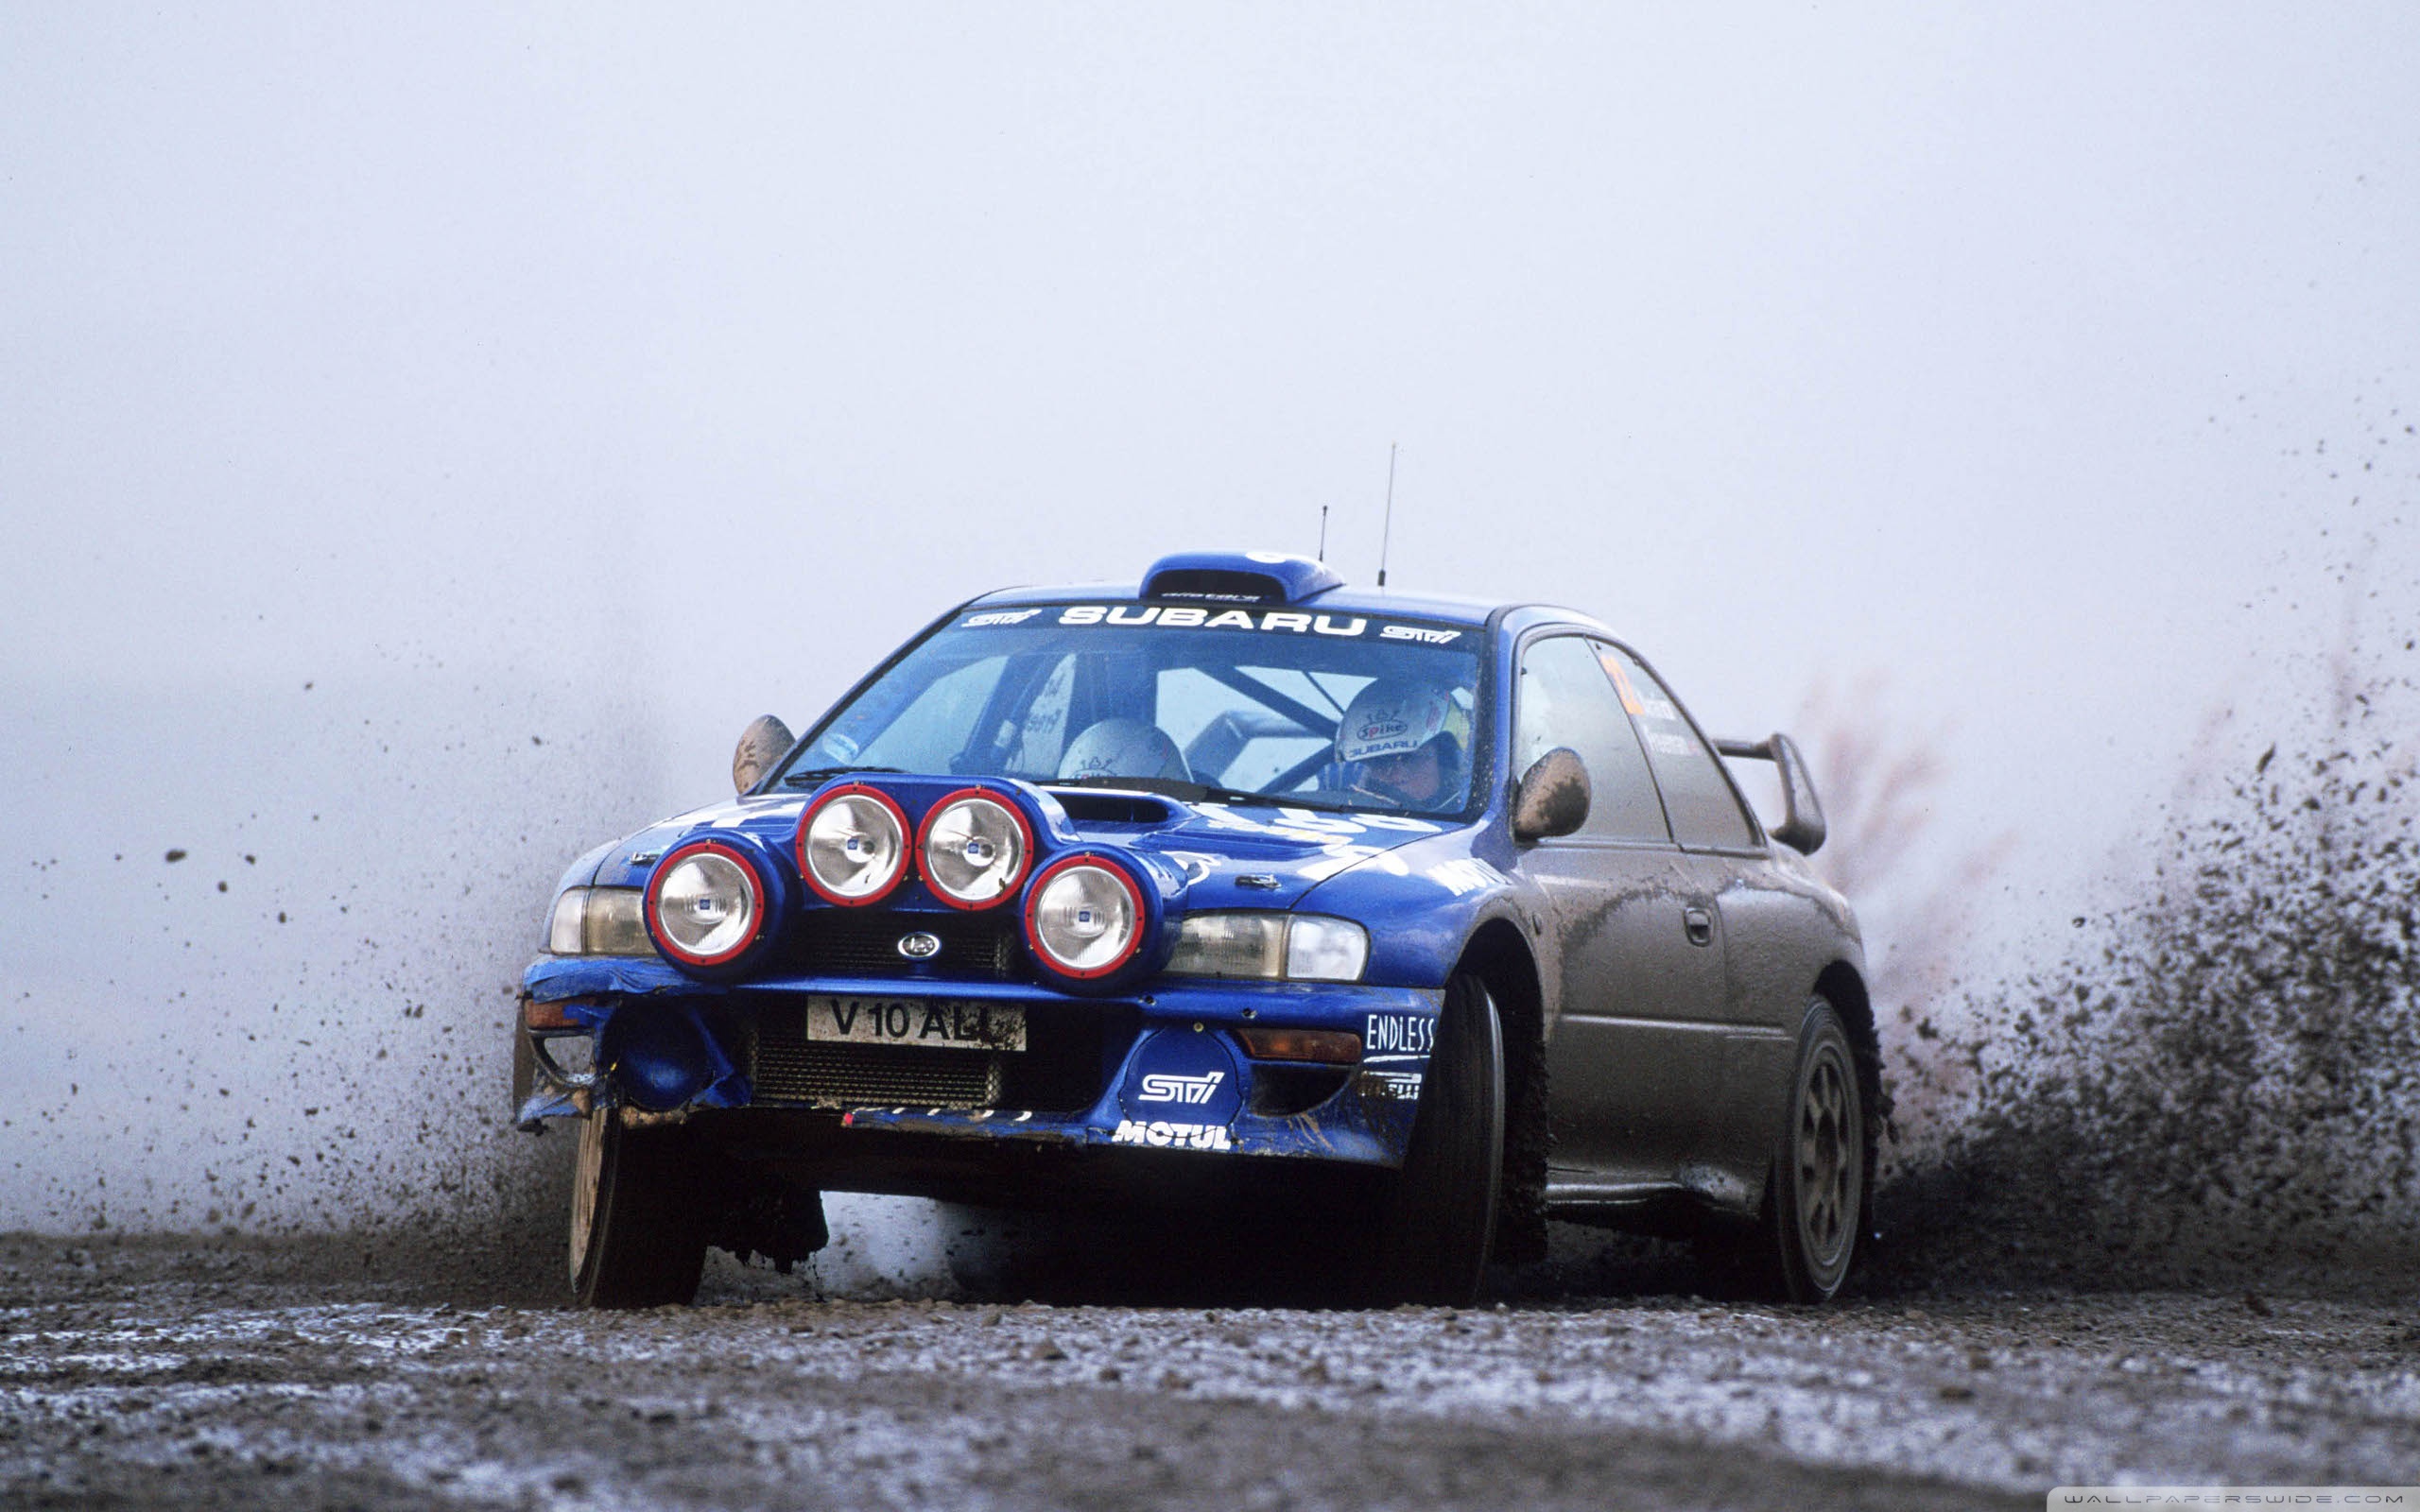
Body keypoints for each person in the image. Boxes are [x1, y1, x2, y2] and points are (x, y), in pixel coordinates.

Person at [1335, 679, 1469, 809]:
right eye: (1380, 761)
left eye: (1413, 759)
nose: (1396, 776)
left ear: (1449, 761)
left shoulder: (1479, 820)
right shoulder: (1330, 809)